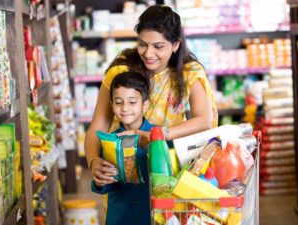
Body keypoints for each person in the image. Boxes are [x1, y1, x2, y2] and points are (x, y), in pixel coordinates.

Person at [85, 4, 218, 224]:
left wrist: (158, 135)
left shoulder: (188, 73)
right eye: (142, 44)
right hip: (123, 168)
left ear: (175, 45)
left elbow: (204, 120)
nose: (148, 53)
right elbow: (98, 125)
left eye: (158, 46)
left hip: (168, 171)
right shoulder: (121, 71)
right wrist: (92, 161)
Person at [90, 71, 155, 225]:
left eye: (132, 102)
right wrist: (100, 180)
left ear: (144, 105)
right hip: (119, 218)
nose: (125, 108)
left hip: (152, 217)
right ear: (112, 105)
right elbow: (105, 184)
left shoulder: (157, 136)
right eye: (119, 102)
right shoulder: (108, 141)